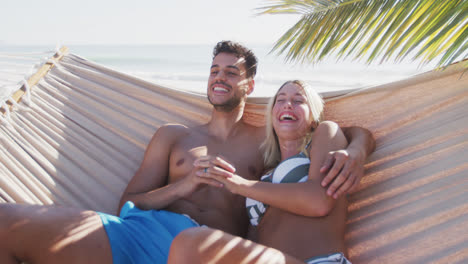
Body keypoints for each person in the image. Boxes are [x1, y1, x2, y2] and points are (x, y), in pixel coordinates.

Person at [0, 41, 374, 264]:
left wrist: (358, 143)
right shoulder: (172, 135)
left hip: (203, 249)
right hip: (136, 231)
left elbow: (322, 151)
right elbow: (127, 202)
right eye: (214, 71)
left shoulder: (266, 149)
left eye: (231, 72)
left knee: (189, 247)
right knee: (4, 222)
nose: (219, 78)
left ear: (250, 85)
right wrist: (183, 186)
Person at [167, 80, 375, 263]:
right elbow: (253, 241)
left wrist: (239, 184)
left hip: (320, 261)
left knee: (191, 241)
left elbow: (318, 201)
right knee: (190, 245)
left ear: (313, 117)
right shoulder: (266, 171)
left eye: (298, 101)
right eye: (280, 100)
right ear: (272, 115)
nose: (287, 104)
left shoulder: (324, 134)